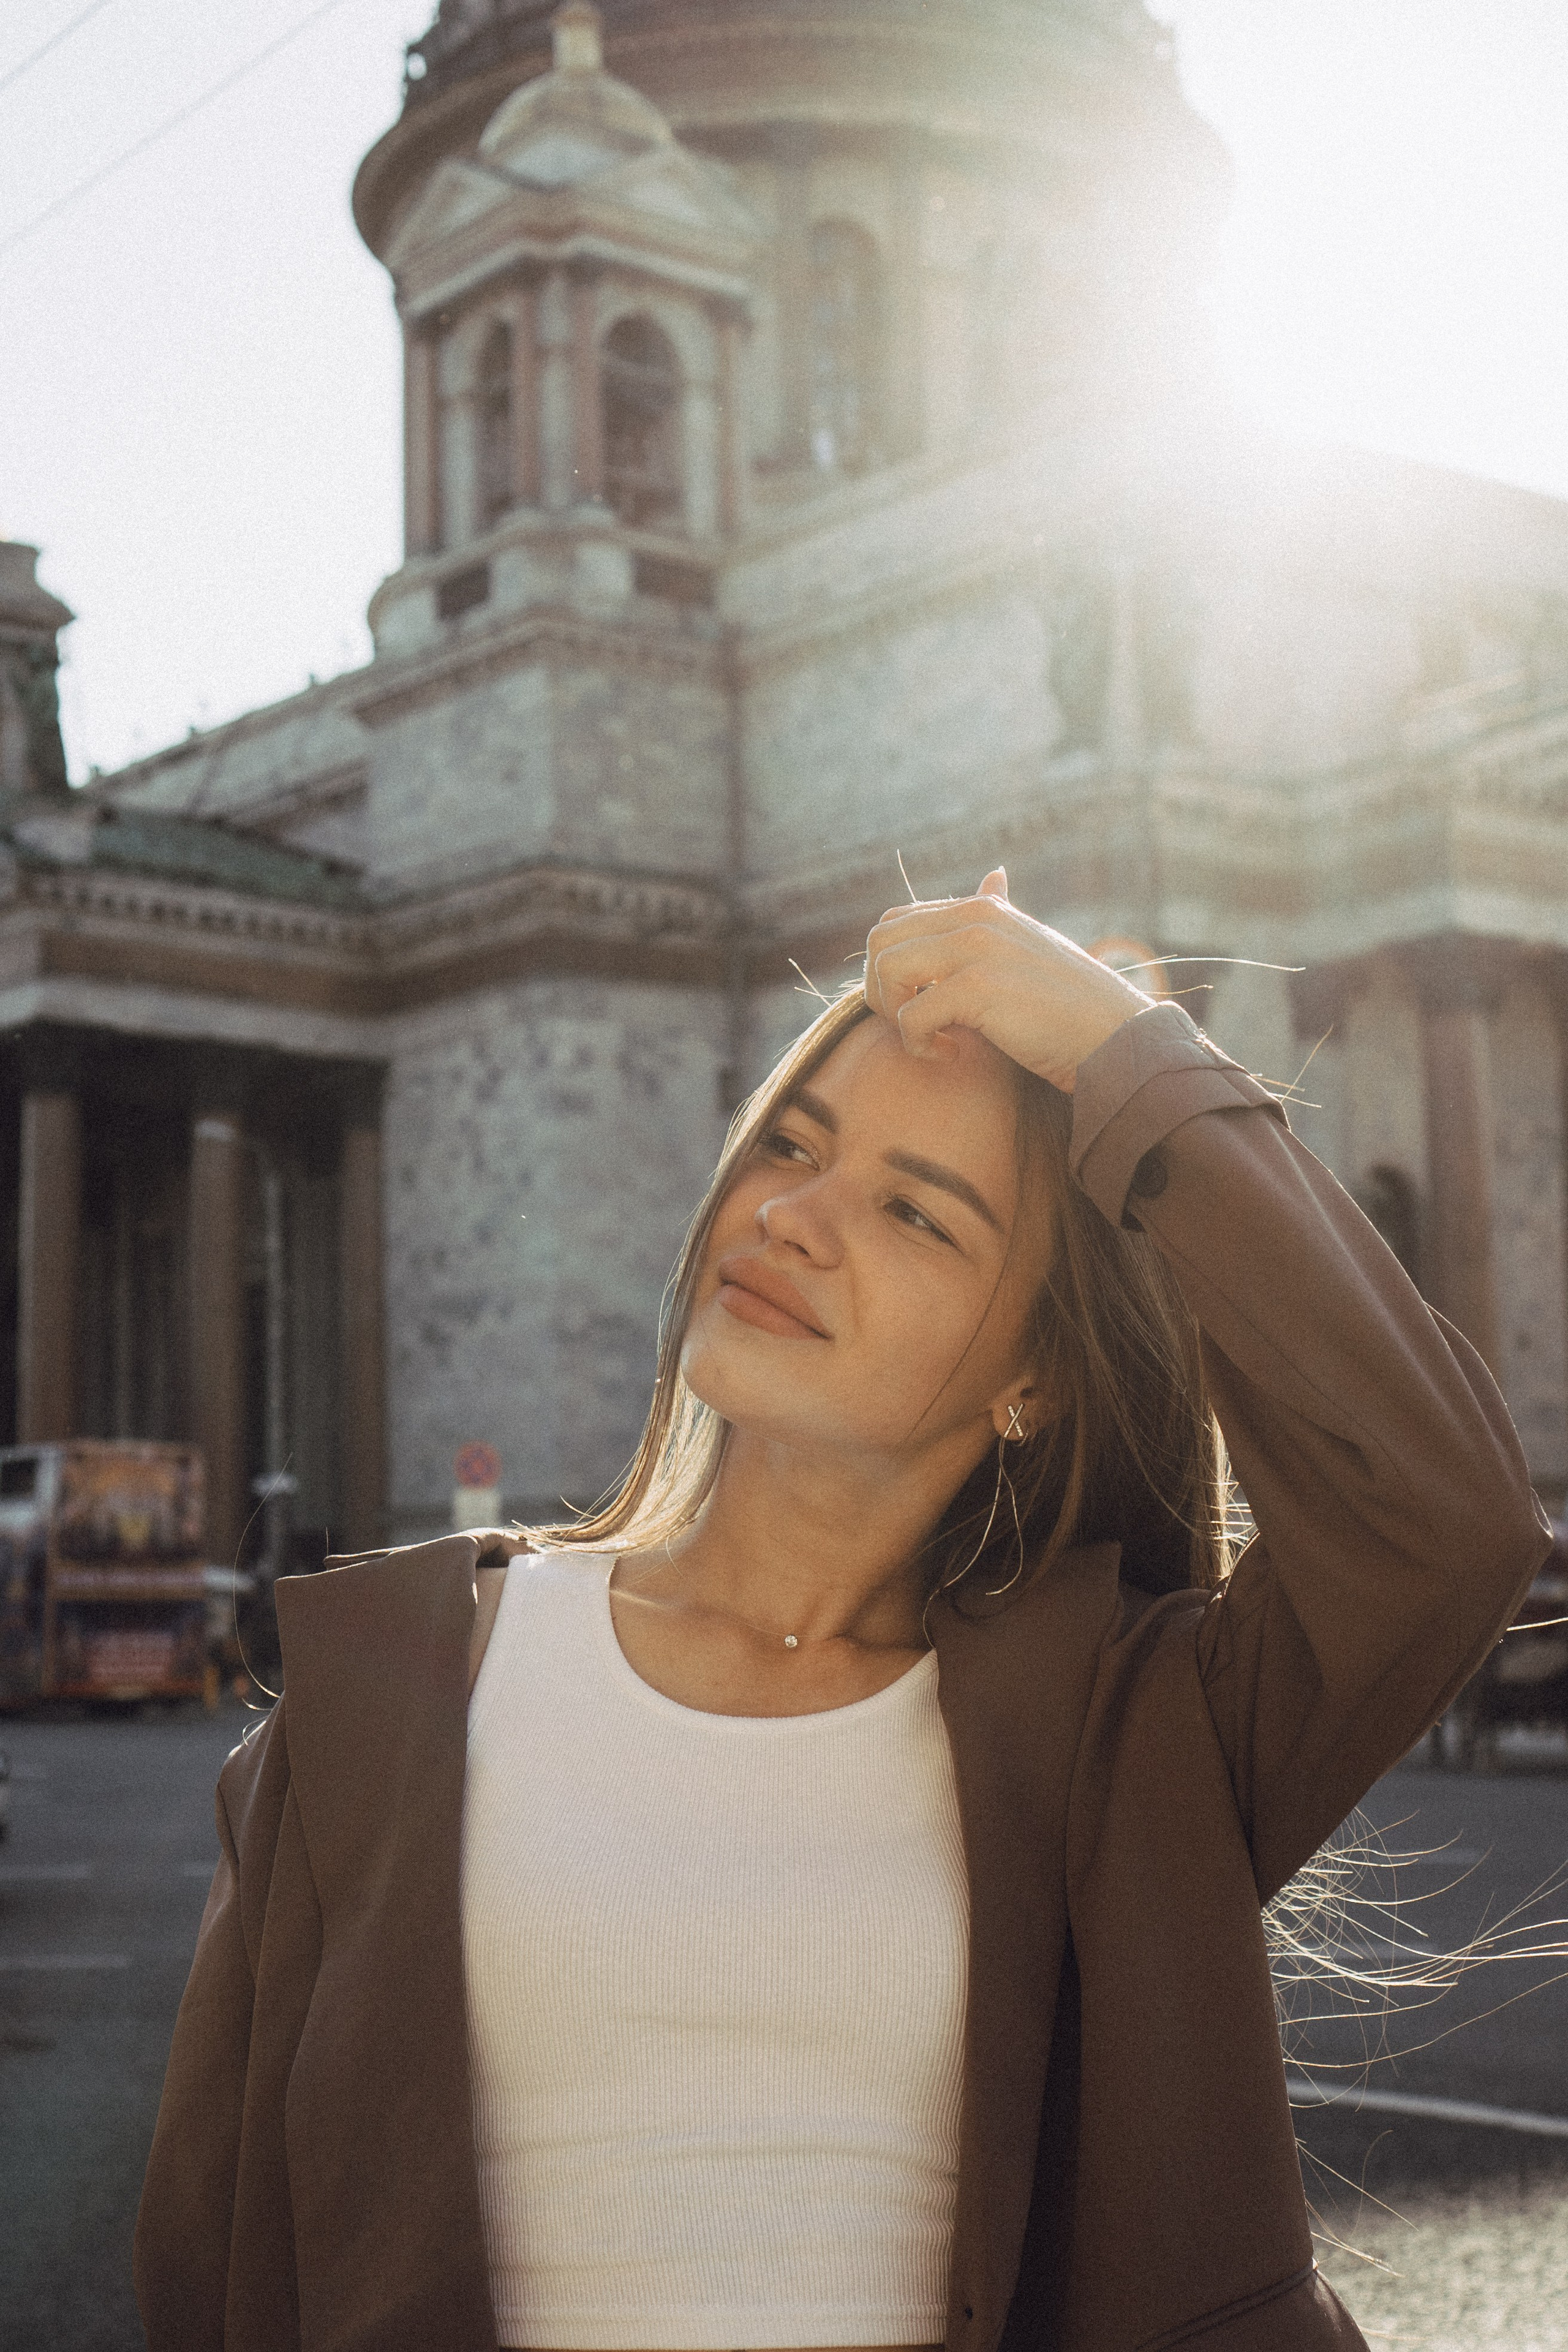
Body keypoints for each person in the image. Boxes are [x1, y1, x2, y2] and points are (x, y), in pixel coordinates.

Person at [135, 871, 1547, 2352]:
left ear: (1034, 1383)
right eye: (790, 1146)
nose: (795, 1217)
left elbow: (1442, 1519)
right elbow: (209, 2260)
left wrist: (1123, 1049)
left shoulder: (1133, 1739)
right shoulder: (392, 1693)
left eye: (914, 1215)